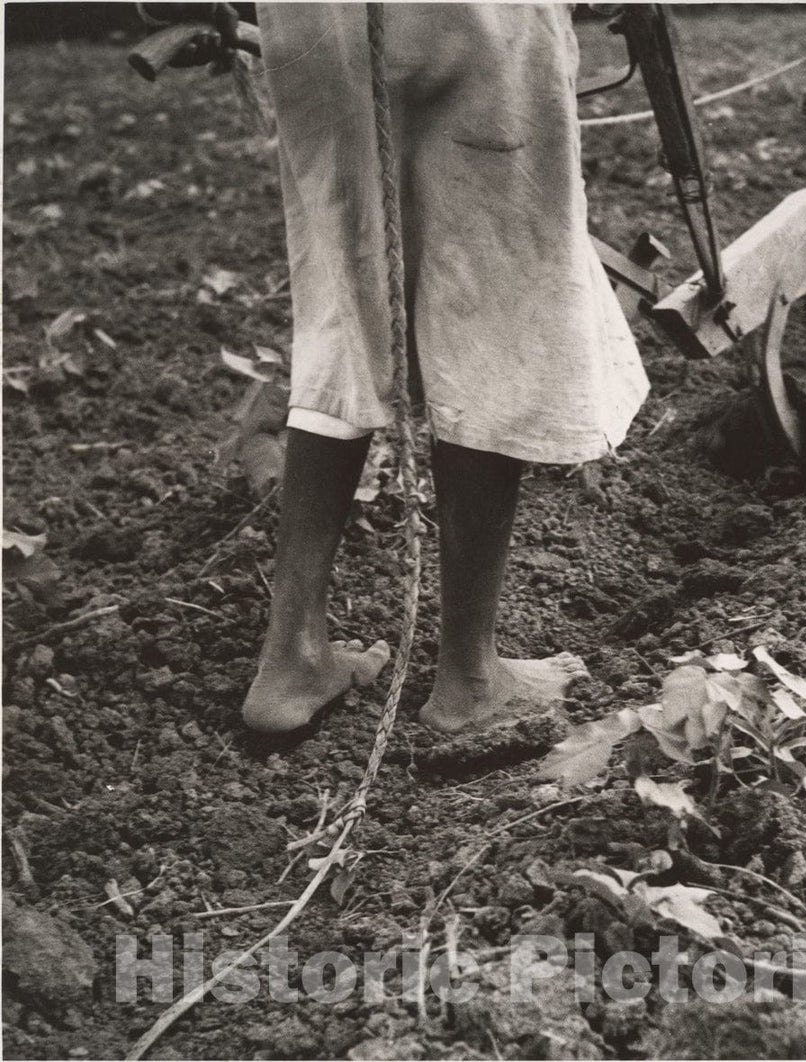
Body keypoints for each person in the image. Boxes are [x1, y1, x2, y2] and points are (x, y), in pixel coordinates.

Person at [144, 2, 650, 734]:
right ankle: (471, 678)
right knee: (490, 310)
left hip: (316, 21)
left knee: (342, 314)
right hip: (476, 17)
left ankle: (292, 657)